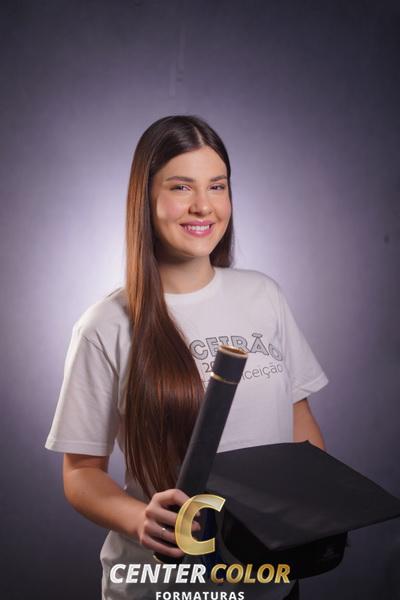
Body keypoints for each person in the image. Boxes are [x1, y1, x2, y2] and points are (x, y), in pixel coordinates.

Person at [45, 114, 328, 599]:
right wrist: (139, 518)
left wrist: (315, 509)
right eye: (181, 187)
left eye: (217, 186)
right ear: (145, 200)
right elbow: (80, 473)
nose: (203, 205)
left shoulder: (264, 295)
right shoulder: (106, 326)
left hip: (270, 584)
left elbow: (298, 418)